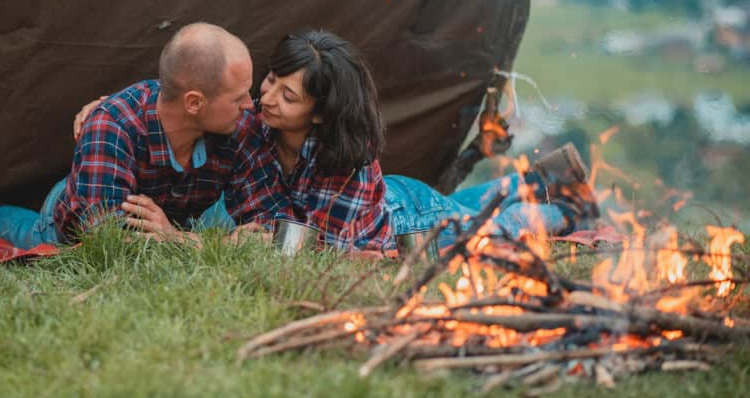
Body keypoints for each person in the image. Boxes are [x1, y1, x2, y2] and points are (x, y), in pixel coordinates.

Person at [77, 29, 598, 253]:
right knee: (462, 205)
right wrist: (105, 108)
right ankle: (543, 179)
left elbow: (299, 248)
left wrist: (184, 240)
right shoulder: (253, 121)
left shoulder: (346, 162)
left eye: (289, 95)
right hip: (387, 199)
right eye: (271, 81)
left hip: (394, 224)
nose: (266, 99)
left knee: (486, 232)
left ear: (321, 115)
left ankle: (562, 198)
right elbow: (188, 92)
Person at [0, 22, 290, 247]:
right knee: (15, 228)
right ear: (194, 103)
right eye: (238, 98)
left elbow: (271, 226)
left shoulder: (238, 124)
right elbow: (107, 240)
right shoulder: (112, 125)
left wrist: (177, 238)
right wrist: (207, 243)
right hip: (75, 215)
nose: (252, 105)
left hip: (174, 218)